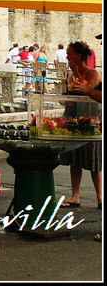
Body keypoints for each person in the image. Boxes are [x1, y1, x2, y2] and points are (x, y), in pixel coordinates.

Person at [59, 41, 102, 220]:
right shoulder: (69, 74)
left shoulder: (93, 73)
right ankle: (75, 195)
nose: (67, 56)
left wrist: (75, 71)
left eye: (70, 53)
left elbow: (85, 89)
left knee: (93, 157)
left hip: (90, 116)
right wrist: (64, 100)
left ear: (79, 55)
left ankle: (100, 197)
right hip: (73, 115)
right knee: (75, 157)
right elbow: (69, 94)